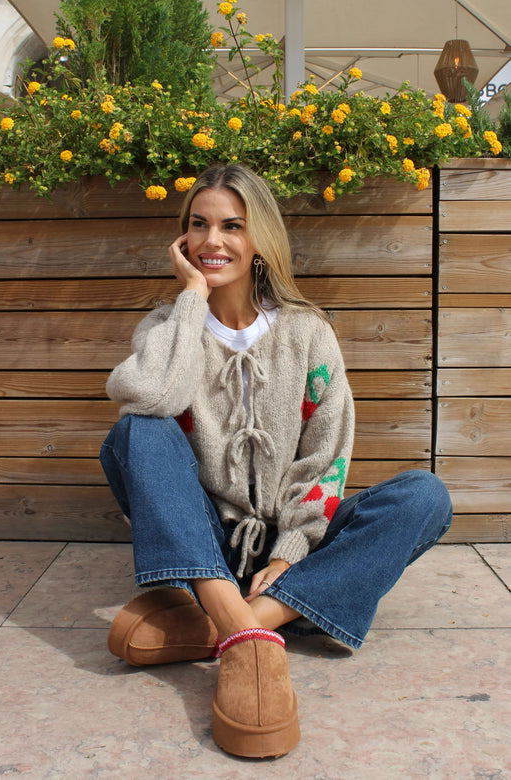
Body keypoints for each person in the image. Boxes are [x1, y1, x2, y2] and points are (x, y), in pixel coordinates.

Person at [100, 163, 452, 759]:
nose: (213, 242)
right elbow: (154, 395)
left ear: (259, 236)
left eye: (232, 226)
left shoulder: (308, 333)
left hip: (293, 537)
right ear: (181, 239)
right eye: (199, 226)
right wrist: (191, 298)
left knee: (425, 497)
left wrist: (293, 548)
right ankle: (251, 631)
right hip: (204, 540)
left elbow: (326, 456)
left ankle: (228, 622)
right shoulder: (166, 328)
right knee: (138, 431)